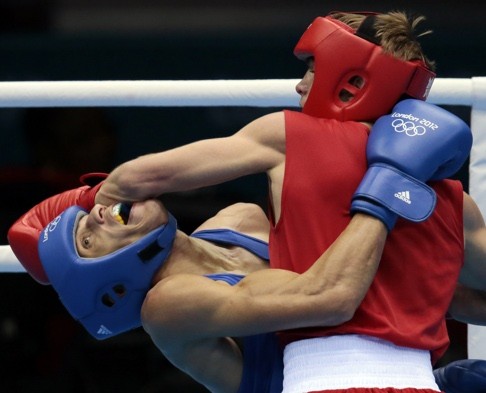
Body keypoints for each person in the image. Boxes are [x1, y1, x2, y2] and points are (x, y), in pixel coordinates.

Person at [92, 10, 481, 393]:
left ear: (352, 80)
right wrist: (420, 293)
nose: (299, 85)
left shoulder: (290, 136)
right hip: (421, 383)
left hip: (321, 380)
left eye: (312, 68)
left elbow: (137, 179)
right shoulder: (451, 198)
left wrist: (75, 214)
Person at [8, 173, 389, 393]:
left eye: (85, 214)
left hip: (384, 367)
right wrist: (387, 187)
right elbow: (332, 297)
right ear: (112, 283)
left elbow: (376, 277)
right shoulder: (168, 306)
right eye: (86, 240)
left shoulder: (239, 219)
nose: (96, 214)